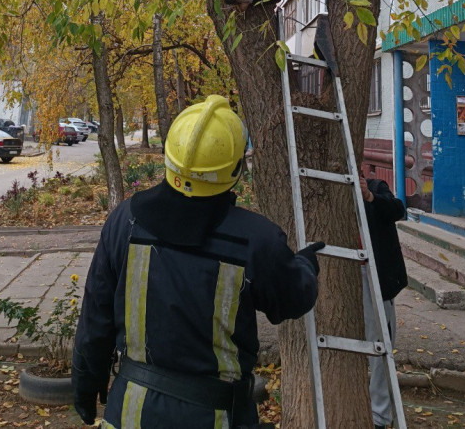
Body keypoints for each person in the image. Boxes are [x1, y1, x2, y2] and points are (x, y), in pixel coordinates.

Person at [72, 95, 324, 428]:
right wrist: (305, 264)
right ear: (234, 169)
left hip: (129, 412)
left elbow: (95, 317)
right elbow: (294, 299)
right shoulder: (255, 239)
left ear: (169, 156)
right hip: (217, 415)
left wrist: (85, 386)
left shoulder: (125, 221)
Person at [360, 174, 407, 429]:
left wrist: (369, 196)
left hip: (375, 278)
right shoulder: (330, 192)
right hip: (346, 275)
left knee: (380, 344)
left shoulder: (377, 187)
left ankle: (380, 415)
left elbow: (398, 209)